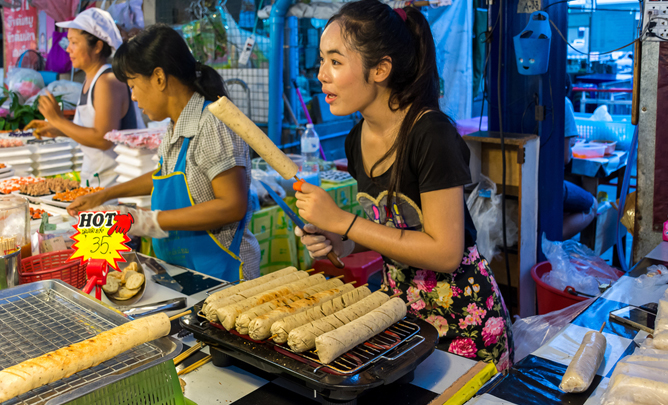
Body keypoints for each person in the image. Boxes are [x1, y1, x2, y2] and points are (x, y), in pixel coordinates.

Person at [294, 0, 513, 370]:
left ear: (380, 69)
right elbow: (392, 227)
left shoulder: (430, 134)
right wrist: (341, 241)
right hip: (400, 310)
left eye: (335, 61)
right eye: (321, 61)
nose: (321, 75)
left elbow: (445, 252)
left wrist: (344, 221)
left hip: (464, 315)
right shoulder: (356, 137)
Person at [67, 24, 261, 282]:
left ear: (159, 78)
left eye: (133, 85)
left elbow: (232, 205)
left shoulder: (212, 124)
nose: (133, 97)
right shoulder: (174, 125)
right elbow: (164, 175)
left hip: (223, 274)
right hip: (186, 268)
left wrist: (149, 221)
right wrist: (104, 195)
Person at [26, 8, 144, 188]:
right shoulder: (92, 79)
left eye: (74, 42)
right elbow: (91, 130)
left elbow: (103, 139)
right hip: (96, 180)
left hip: (113, 186)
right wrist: (58, 129)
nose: (68, 49)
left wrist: (59, 121)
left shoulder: (107, 81)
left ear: (97, 46)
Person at [563, 96, 598, 240]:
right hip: (549, 184)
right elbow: (565, 158)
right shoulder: (564, 102)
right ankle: (549, 241)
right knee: (593, 205)